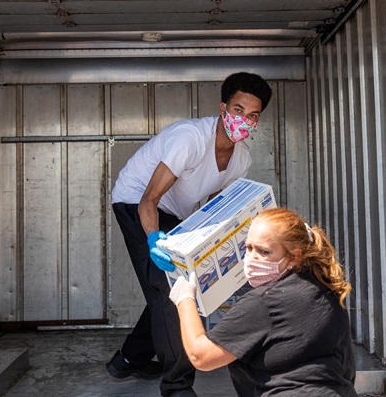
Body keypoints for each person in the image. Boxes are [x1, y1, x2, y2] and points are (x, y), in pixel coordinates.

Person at [107, 72, 273, 397]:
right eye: (238, 110)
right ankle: (176, 387)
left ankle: (129, 358)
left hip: (175, 213)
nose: (245, 120)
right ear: (223, 107)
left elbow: (214, 210)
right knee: (169, 283)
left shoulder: (241, 159)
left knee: (176, 283)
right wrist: (154, 240)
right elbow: (148, 201)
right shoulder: (190, 139)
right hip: (135, 202)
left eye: (253, 115)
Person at [168, 208, 358, 397]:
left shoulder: (264, 303)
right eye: (248, 248)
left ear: (294, 256)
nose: (252, 258)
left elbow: (200, 356)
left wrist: (185, 299)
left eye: (264, 251)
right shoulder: (327, 288)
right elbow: (346, 366)